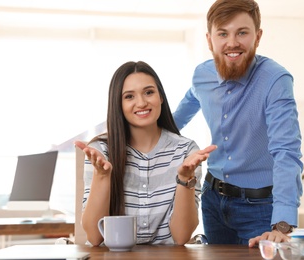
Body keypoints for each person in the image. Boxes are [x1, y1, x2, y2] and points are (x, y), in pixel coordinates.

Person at [172, 0, 303, 247]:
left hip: (260, 208)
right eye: (223, 33)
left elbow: (286, 151)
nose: (232, 42)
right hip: (212, 200)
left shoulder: (275, 80)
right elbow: (175, 121)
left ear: (258, 36)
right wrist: (126, 136)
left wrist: (282, 224)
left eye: (242, 32)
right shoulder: (202, 76)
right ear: (210, 39)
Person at [75, 61, 217, 246]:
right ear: (118, 104)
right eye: (129, 96)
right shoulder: (101, 151)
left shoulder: (186, 151)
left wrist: (184, 179)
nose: (141, 102)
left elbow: (181, 237)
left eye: (149, 92)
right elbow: (95, 238)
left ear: (161, 98)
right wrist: (102, 177)